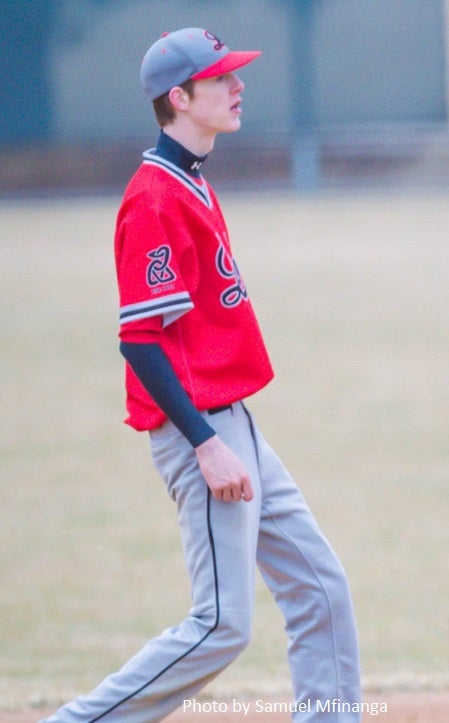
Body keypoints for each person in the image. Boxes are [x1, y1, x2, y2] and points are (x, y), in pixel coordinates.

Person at [45, 28, 362, 722]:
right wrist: (204, 443)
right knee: (222, 623)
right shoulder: (154, 197)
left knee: (320, 586)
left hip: (232, 419)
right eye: (220, 79)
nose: (238, 86)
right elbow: (140, 342)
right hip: (201, 429)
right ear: (179, 98)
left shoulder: (189, 178)